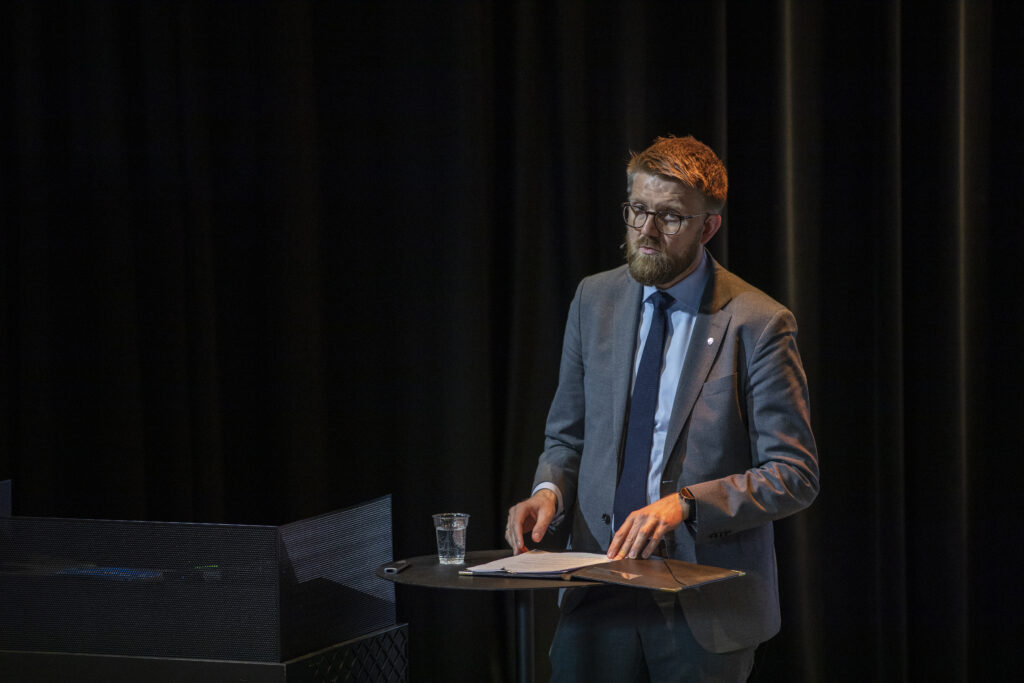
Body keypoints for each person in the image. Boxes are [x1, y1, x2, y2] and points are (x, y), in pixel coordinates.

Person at [505, 135, 819, 682]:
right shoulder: (593, 300)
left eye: (671, 218)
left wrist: (686, 504)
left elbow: (794, 474)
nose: (647, 232)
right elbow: (567, 437)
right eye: (639, 210)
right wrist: (546, 492)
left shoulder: (758, 323)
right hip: (596, 590)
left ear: (708, 226)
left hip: (703, 605)